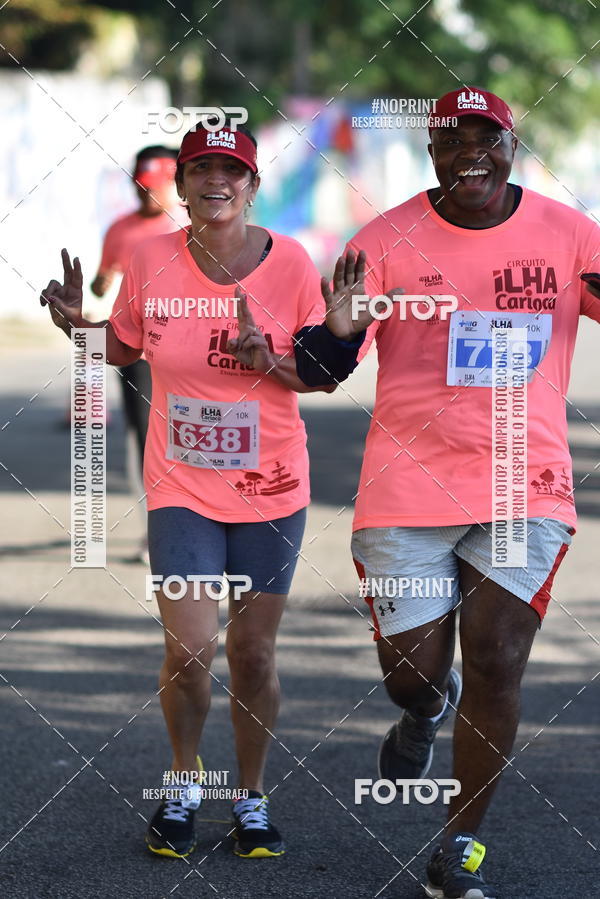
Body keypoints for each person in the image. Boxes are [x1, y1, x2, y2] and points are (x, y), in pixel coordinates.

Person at [294, 87, 600, 898]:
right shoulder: (385, 239)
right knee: (413, 677)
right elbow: (323, 367)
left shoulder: (570, 233)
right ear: (432, 152)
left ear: (510, 145)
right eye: (453, 140)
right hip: (406, 490)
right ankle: (426, 707)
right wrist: (338, 326)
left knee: (497, 662)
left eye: (487, 138)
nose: (473, 152)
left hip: (522, 483)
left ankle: (459, 844)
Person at [41, 119, 335, 861]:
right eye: (200, 169)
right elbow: (126, 343)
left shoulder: (292, 262)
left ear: (253, 184)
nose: (216, 182)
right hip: (182, 485)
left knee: (254, 653)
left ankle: (252, 795)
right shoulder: (149, 257)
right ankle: (181, 782)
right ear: (180, 183)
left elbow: (317, 373)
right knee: (191, 645)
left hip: (272, 484)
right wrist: (80, 328)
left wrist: (266, 358)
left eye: (231, 171)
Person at [91, 145, 186, 561]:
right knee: (146, 438)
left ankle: (210, 520)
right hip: (137, 353)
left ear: (174, 184)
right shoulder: (120, 230)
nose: (146, 196)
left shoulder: (192, 227)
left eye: (155, 188)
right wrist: (91, 290)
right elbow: (102, 278)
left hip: (191, 354)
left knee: (192, 438)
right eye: (140, 187)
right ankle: (158, 530)